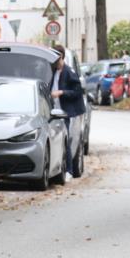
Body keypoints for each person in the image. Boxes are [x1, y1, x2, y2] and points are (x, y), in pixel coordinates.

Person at [50, 44, 85, 181]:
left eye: (55, 59)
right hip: (54, 111)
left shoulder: (69, 72)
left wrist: (61, 92)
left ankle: (69, 171)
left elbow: (78, 92)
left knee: (66, 141)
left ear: (61, 57)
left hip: (65, 112)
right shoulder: (53, 71)